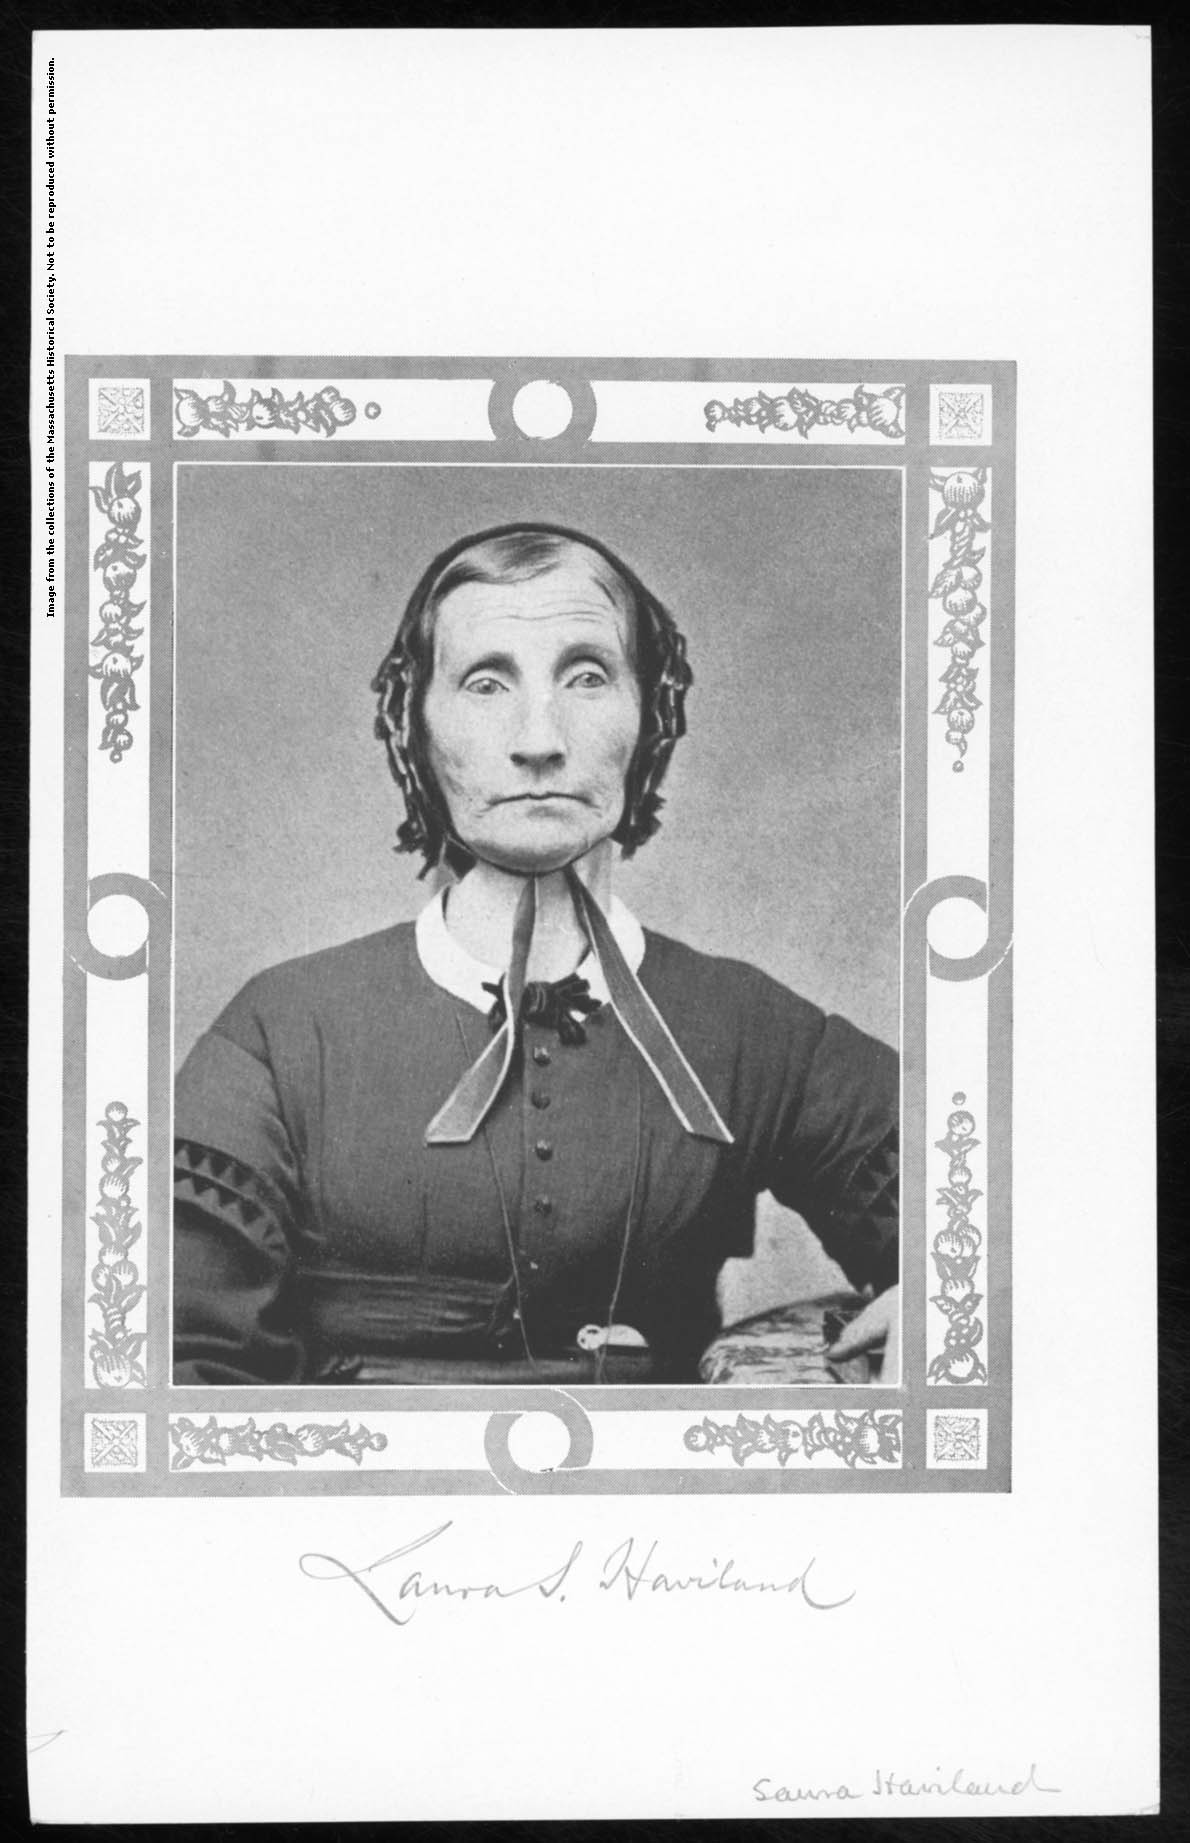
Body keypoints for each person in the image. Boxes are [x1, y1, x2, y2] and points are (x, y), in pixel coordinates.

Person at [173, 523, 898, 1385]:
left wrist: (949, 1305)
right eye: (486, 683)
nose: (539, 738)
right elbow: (177, 1371)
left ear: (652, 718)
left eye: (587, 676)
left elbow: (1004, 1230)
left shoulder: (749, 1028)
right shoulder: (282, 1032)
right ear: (415, 728)